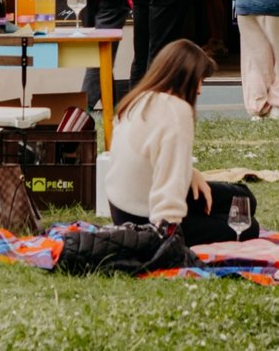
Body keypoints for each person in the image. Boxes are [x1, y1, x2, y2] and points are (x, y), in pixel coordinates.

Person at [105, 40, 256, 245]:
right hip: (149, 219)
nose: (200, 91)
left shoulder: (138, 99)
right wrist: (170, 233)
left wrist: (191, 173)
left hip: (122, 207)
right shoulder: (176, 111)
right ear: (185, 78)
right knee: (248, 225)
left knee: (243, 199)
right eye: (200, 81)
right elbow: (170, 183)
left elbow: (150, 158)